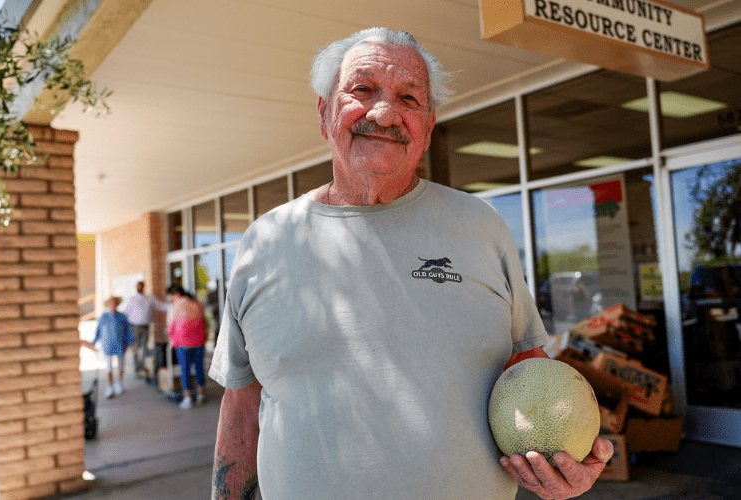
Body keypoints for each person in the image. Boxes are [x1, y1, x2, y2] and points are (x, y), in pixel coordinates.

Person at [209, 27, 613, 500]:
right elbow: (242, 401)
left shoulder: (480, 226)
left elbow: (529, 372)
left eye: (409, 98)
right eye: (362, 90)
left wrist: (563, 465)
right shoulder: (266, 241)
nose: (384, 113)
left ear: (428, 126)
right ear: (324, 113)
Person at [84, 296, 134, 399]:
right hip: (108, 345)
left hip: (120, 344)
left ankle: (119, 383)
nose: (113, 305)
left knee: (121, 365)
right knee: (109, 366)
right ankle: (110, 386)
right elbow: (98, 331)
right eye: (111, 303)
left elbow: (128, 330)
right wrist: (93, 342)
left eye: (115, 303)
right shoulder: (103, 317)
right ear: (108, 305)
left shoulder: (122, 317)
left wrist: (131, 341)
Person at [167, 284, 208, 409]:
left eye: (171, 296)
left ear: (177, 294)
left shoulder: (174, 307)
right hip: (199, 341)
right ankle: (200, 394)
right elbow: (204, 321)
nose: (171, 299)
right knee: (199, 368)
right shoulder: (197, 304)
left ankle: (188, 397)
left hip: (183, 342)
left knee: (185, 370)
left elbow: (170, 325)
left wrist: (172, 341)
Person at [122, 281, 169, 376]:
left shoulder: (149, 298)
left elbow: (161, 306)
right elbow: (125, 313)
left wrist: (173, 307)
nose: (139, 288)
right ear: (136, 288)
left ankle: (143, 367)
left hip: (146, 327)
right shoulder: (132, 299)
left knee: (144, 348)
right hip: (135, 327)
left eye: (141, 286)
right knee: (135, 348)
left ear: (143, 287)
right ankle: (137, 368)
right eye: (138, 286)